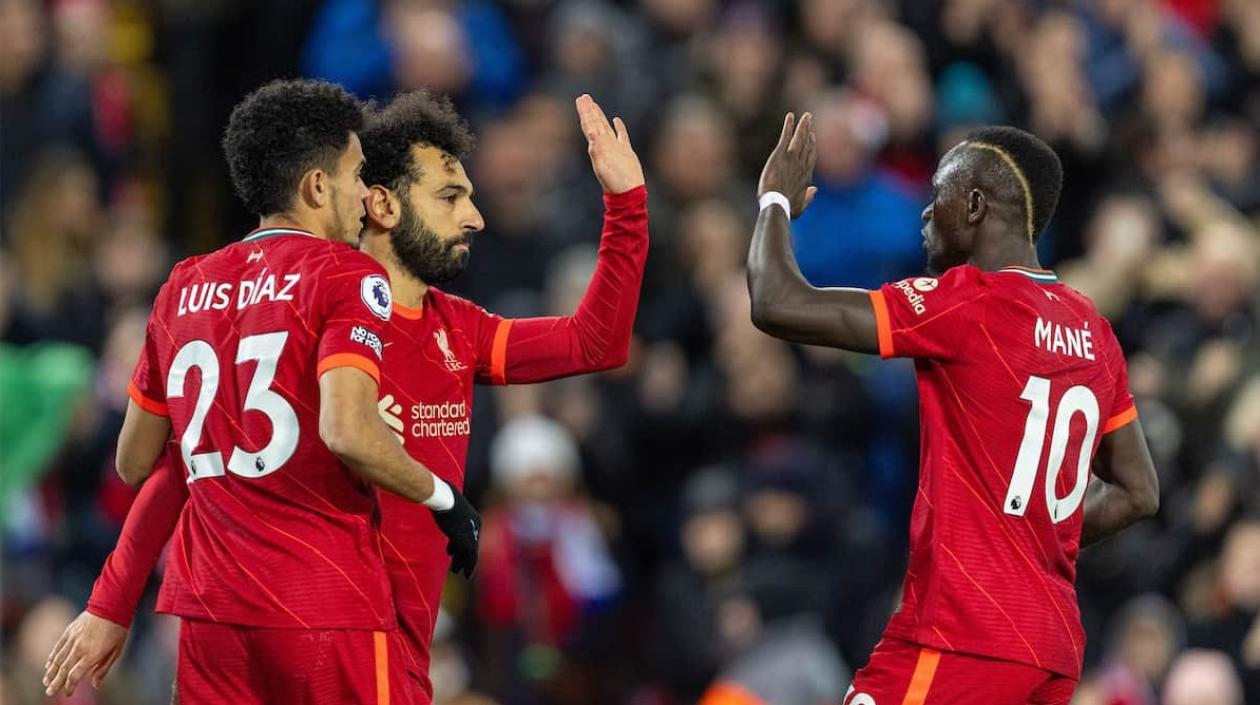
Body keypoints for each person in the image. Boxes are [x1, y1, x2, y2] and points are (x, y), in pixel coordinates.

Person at [43, 89, 649, 703]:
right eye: (450, 196)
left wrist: (626, 204)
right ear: (379, 202)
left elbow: (593, 342)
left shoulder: (455, 330)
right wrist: (111, 603)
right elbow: (182, 469)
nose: (475, 217)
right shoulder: (329, 301)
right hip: (342, 624)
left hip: (337, 633)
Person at [747, 114, 1160, 704]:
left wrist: (773, 204)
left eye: (935, 193)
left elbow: (776, 302)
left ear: (973, 205)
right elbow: (1138, 492)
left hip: (961, 636)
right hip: (1052, 650)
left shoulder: (967, 304)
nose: (923, 211)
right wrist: (1028, 541)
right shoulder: (1094, 330)